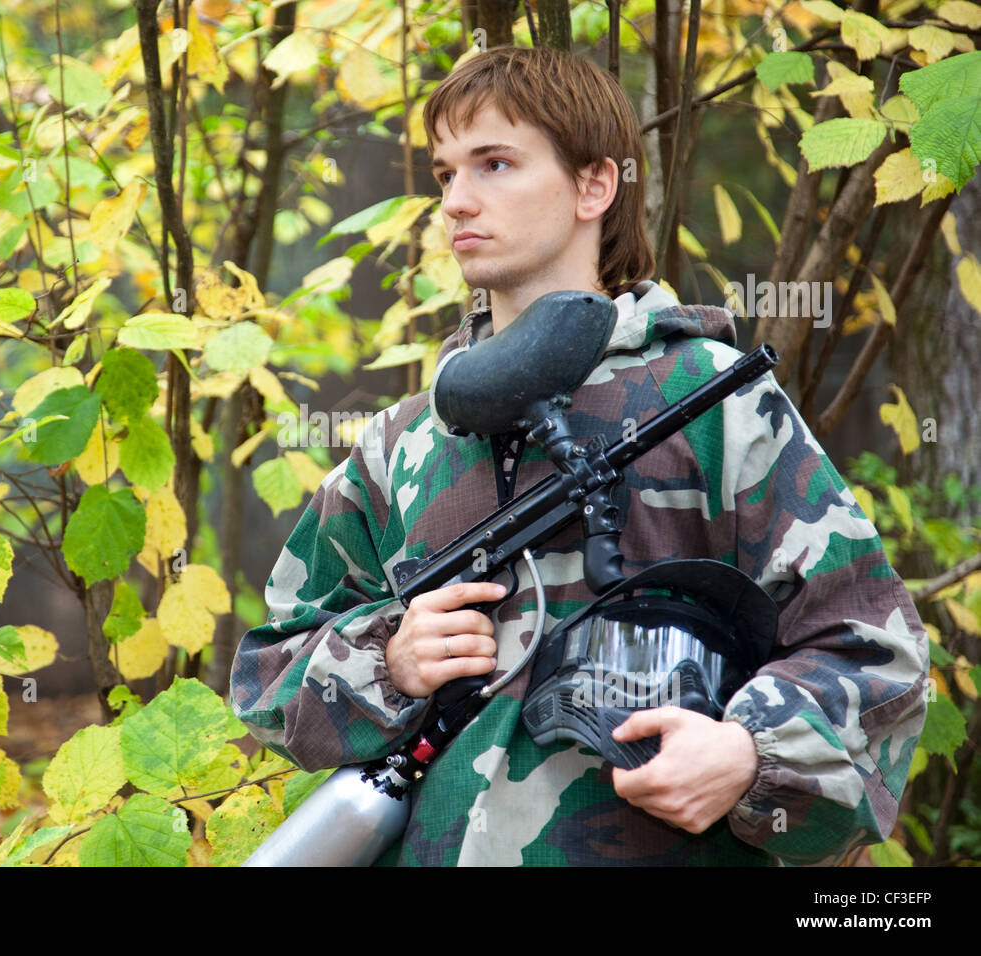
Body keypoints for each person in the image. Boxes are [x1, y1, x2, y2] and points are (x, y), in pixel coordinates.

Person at [229, 45, 928, 865]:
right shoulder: (402, 441)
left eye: (494, 164)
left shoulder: (711, 401)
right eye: (445, 173)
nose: (457, 200)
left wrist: (748, 752)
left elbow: (874, 650)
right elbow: (267, 671)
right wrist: (388, 658)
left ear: (596, 186)